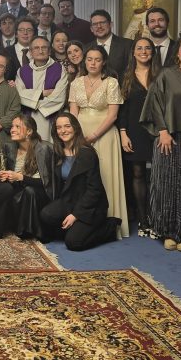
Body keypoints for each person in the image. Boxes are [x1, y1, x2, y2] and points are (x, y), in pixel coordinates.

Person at [141, 32, 181, 250]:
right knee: (166, 184)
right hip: (168, 137)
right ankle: (168, 232)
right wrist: (163, 131)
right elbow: (154, 103)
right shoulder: (166, 75)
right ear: (178, 53)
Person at [69, 45, 128, 238]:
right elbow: (73, 112)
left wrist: (93, 136)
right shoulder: (76, 83)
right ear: (84, 61)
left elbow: (113, 116)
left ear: (103, 62)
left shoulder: (111, 82)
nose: (93, 63)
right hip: (80, 134)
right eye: (89, 59)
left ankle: (109, 223)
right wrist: (76, 137)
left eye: (97, 59)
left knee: (105, 175)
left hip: (104, 134)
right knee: (84, 177)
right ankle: (83, 221)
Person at [39, 112, 120, 251]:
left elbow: (94, 191)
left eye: (67, 126)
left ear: (75, 128)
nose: (63, 130)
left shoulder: (87, 154)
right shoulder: (57, 152)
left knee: (73, 243)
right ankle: (75, 228)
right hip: (69, 200)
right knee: (46, 215)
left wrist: (76, 215)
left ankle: (109, 226)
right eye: (59, 127)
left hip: (90, 205)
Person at [116, 37, 158, 236]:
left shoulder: (161, 74)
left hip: (159, 130)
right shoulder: (125, 77)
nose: (143, 51)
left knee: (159, 175)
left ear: (153, 52)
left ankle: (158, 218)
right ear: (133, 52)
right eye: (139, 48)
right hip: (134, 130)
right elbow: (122, 109)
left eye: (147, 48)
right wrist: (123, 133)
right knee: (138, 173)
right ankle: (143, 220)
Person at [0, 113, 54, 240]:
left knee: (30, 191)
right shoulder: (9, 147)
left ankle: (31, 231)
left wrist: (20, 177)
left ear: (29, 131)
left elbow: (46, 183)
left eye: (17, 127)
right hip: (18, 188)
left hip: (39, 192)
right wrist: (5, 175)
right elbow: (8, 173)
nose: (12, 130)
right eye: (12, 126)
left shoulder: (43, 148)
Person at [15, 36, 69, 141]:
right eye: (36, 48)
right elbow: (19, 94)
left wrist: (33, 102)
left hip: (51, 117)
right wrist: (42, 93)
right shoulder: (22, 71)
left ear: (49, 51)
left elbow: (59, 97)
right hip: (28, 118)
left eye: (44, 47)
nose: (40, 51)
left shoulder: (59, 69)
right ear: (30, 52)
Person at [85, 9, 132, 78]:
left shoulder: (127, 45)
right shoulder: (86, 48)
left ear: (111, 24)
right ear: (91, 29)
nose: (99, 26)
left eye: (102, 22)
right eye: (95, 24)